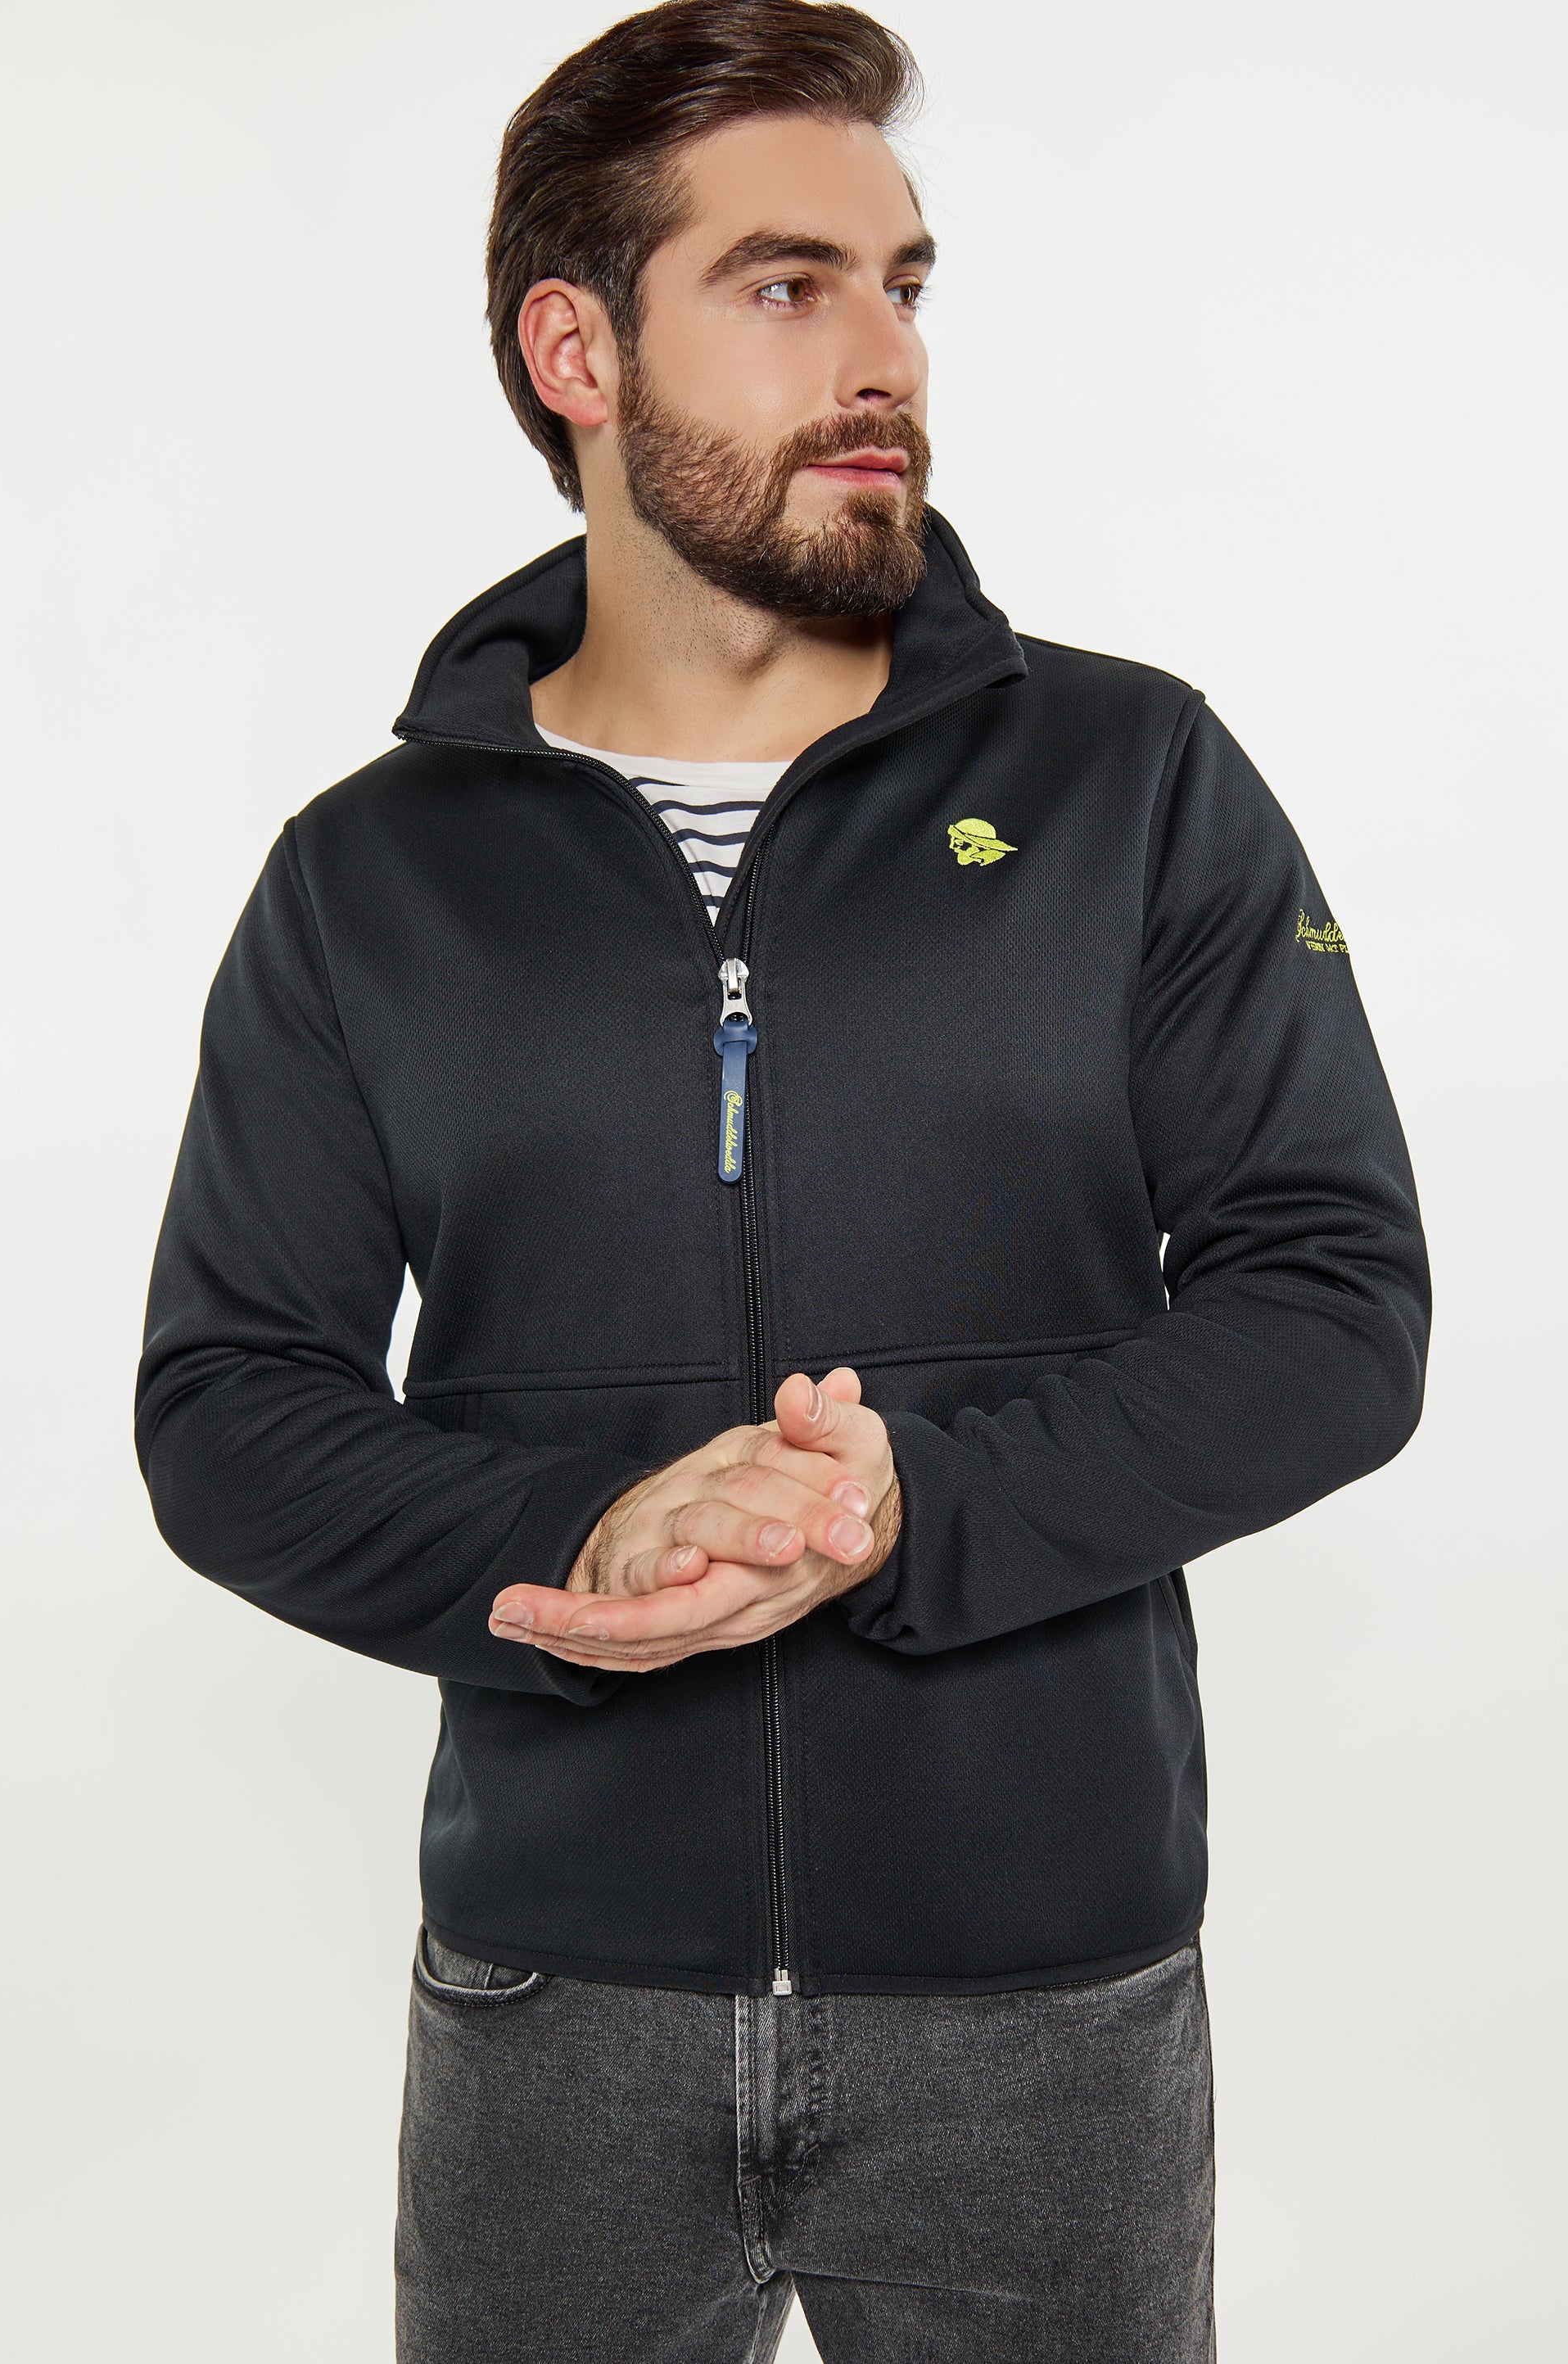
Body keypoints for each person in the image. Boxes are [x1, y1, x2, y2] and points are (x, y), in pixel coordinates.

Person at [133, 3, 1431, 2356]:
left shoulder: (1134, 783)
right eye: (784, 283)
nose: (881, 359)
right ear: (579, 352)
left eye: (903, 285)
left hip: (1046, 2000)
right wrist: (588, 1530)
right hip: (554, 1998)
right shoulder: (368, 880)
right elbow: (228, 1407)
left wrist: (921, 1509)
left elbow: (1334, 1307)